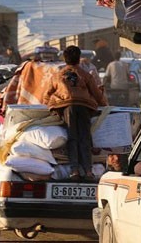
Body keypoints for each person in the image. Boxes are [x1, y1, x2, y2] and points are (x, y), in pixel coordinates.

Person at [44, 46, 108, 181]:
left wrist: (48, 109)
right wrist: (106, 107)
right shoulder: (86, 75)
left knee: (72, 138)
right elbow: (97, 95)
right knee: (85, 138)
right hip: (85, 107)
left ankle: (74, 171)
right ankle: (89, 171)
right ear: (79, 59)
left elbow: (47, 95)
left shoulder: (57, 76)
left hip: (67, 107)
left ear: (64, 59)